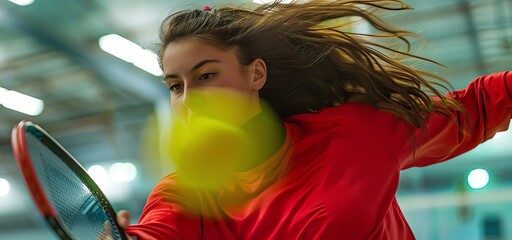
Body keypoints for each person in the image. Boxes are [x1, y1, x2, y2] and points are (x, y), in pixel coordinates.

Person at [115, 0, 512, 239]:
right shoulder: (181, 194)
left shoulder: (354, 134)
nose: (190, 99)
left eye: (206, 76)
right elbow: (158, 233)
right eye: (176, 86)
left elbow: (475, 106)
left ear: (256, 74)